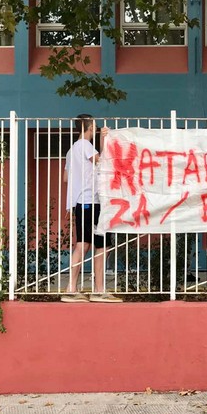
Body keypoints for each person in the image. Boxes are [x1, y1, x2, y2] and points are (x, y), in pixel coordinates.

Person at [62, 114, 121, 303]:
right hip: (91, 201)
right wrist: (105, 139)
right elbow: (104, 162)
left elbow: (66, 178)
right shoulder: (86, 146)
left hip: (81, 202)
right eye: (95, 126)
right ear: (89, 127)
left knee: (86, 243)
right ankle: (97, 289)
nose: (96, 129)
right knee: (100, 244)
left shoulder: (72, 151)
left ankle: (73, 288)